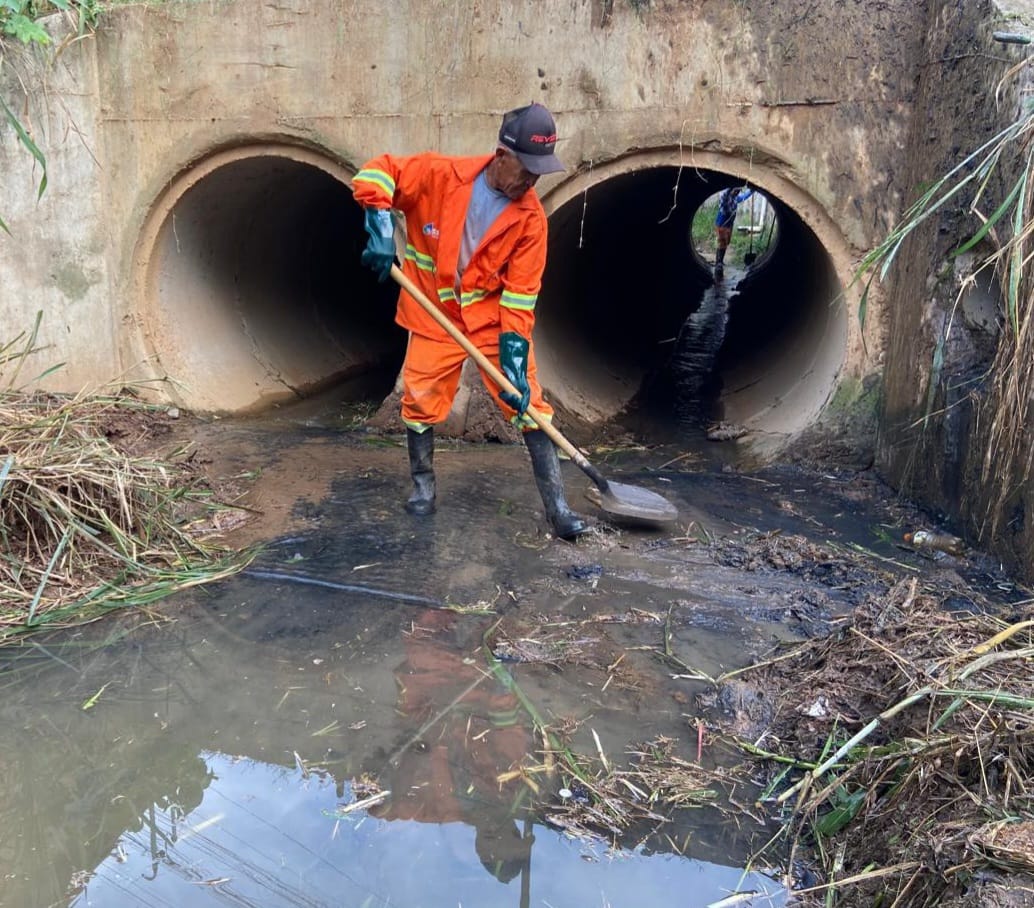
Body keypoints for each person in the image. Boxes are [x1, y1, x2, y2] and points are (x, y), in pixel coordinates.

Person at [352, 102, 589, 540]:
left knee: (531, 407)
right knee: (420, 401)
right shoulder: (442, 176)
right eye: (527, 169)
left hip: (490, 325)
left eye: (540, 171)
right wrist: (379, 222)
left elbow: (520, 298)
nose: (533, 180)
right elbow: (376, 173)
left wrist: (514, 360)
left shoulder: (531, 221)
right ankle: (423, 489)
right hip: (432, 313)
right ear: (502, 156)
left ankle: (558, 510)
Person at [713, 185, 754, 276]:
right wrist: (734, 184)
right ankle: (718, 262)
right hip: (722, 223)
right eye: (736, 190)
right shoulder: (725, 197)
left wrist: (752, 191)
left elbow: (744, 196)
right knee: (722, 242)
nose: (737, 192)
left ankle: (721, 261)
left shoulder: (736, 198)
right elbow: (726, 192)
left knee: (726, 242)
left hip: (729, 224)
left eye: (739, 191)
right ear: (732, 189)